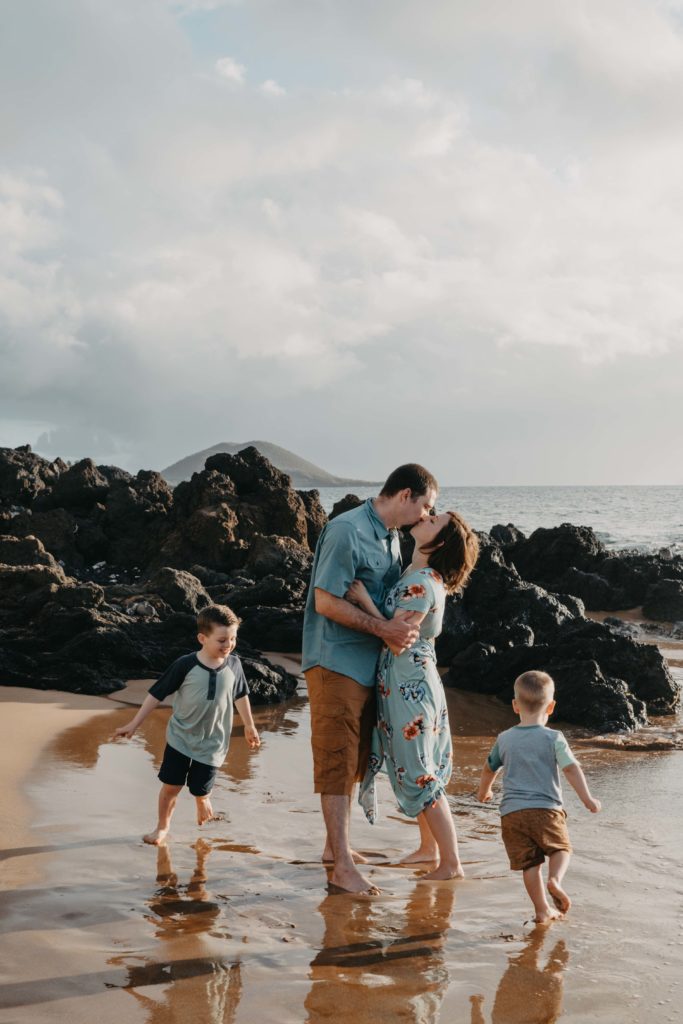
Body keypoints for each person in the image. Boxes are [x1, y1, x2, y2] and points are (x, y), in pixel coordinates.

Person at [302, 463, 439, 895]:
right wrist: (384, 629)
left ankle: (334, 848)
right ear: (404, 495)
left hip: (368, 666)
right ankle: (342, 865)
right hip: (334, 661)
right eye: (426, 506)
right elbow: (324, 602)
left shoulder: (392, 538)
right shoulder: (347, 531)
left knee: (356, 759)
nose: (425, 515)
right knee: (335, 760)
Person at [350, 510, 480, 880]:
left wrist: (363, 601)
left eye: (435, 520)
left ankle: (451, 863)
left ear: (438, 543)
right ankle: (428, 850)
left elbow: (396, 635)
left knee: (422, 773)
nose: (428, 516)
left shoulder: (422, 581)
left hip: (410, 686)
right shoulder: (418, 575)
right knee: (424, 766)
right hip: (411, 681)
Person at [114, 604, 260, 845]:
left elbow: (241, 695)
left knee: (201, 789)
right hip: (180, 737)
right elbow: (156, 694)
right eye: (222, 640)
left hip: (213, 743)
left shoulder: (234, 665)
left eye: (233, 638)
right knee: (171, 787)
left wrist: (249, 725)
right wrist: (134, 723)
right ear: (203, 638)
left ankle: (202, 799)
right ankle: (162, 828)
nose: (229, 645)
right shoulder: (186, 664)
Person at [477, 670, 601, 923]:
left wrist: (484, 791)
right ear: (552, 706)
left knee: (529, 864)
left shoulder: (504, 739)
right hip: (546, 809)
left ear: (514, 705)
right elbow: (571, 768)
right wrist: (588, 799)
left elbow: (489, 767)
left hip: (511, 814)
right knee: (561, 849)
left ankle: (542, 910)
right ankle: (555, 880)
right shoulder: (554, 738)